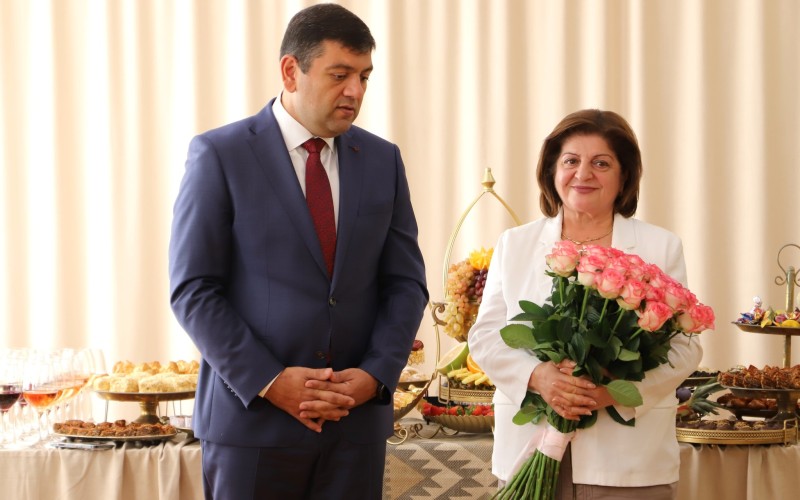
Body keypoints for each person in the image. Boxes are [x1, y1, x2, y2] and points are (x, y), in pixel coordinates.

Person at [168, 4, 428, 499]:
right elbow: (193, 289)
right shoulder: (220, 155)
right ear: (291, 71)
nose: (355, 91)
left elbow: (406, 284)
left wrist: (375, 375)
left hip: (354, 428)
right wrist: (269, 381)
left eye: (364, 77)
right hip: (251, 427)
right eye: (340, 75)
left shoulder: (383, 160)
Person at [468, 109, 702, 499]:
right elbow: (486, 337)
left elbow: (684, 347)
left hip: (627, 460)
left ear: (624, 176)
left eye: (601, 163)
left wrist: (614, 390)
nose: (583, 174)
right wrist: (538, 376)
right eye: (571, 161)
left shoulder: (660, 246)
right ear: (552, 171)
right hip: (529, 448)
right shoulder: (516, 244)